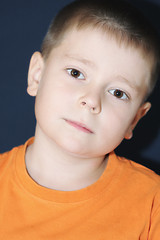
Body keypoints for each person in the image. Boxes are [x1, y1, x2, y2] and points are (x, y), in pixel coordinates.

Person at [0, 0, 160, 239]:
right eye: (76, 73)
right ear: (37, 75)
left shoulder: (152, 204)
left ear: (134, 120)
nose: (91, 100)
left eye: (118, 93)